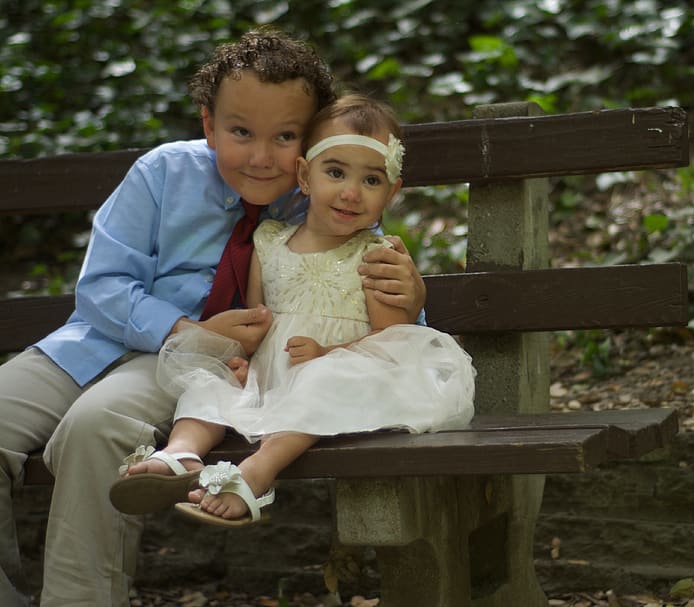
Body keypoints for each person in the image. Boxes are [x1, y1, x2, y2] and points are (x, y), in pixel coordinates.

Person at [0, 30, 426, 607]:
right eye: (240, 132)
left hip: (189, 370)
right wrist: (186, 330)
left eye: (285, 137)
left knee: (93, 426)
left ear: (310, 145)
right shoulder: (163, 174)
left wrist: (410, 299)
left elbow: (379, 318)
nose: (260, 156)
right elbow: (101, 286)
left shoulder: (330, 199)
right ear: (209, 125)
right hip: (91, 343)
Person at [109, 94, 476, 526]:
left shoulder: (377, 256)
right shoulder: (268, 242)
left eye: (372, 181)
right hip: (273, 375)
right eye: (335, 172)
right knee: (210, 381)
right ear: (305, 175)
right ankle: (181, 453)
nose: (351, 192)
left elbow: (391, 343)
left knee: (324, 381)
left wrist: (331, 353)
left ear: (392, 192)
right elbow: (257, 319)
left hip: (340, 374)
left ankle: (259, 471)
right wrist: (243, 363)